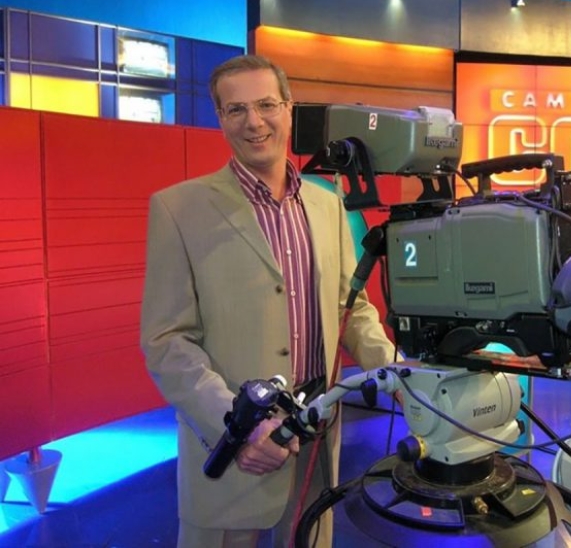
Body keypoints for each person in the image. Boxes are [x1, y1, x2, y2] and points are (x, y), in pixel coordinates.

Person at [140, 54, 398, 548]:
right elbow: (167, 341)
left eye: (265, 105)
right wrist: (235, 426)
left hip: (316, 440)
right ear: (220, 118)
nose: (254, 122)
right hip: (235, 451)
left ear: (288, 108)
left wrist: (396, 371)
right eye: (236, 109)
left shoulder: (328, 204)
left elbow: (351, 308)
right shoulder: (178, 208)